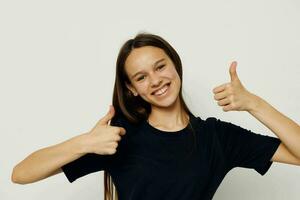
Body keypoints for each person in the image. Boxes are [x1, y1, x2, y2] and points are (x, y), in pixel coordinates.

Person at [11, 33, 300, 200]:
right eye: (141, 76)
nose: (155, 80)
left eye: (160, 67)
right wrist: (84, 143)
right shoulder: (118, 138)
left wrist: (255, 104)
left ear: (175, 65)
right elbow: (21, 174)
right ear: (132, 88)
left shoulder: (217, 137)